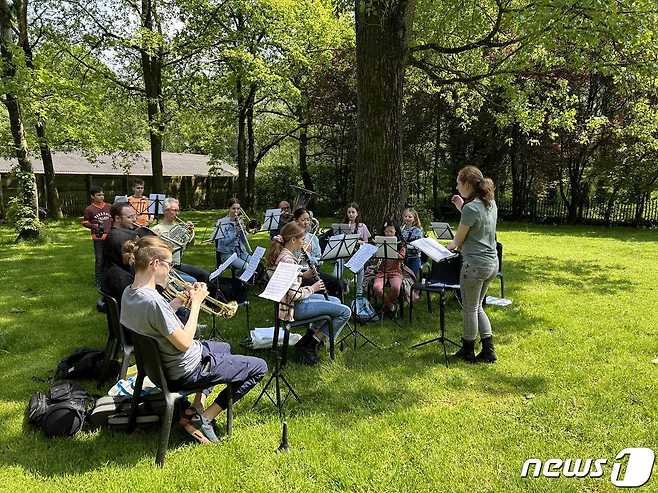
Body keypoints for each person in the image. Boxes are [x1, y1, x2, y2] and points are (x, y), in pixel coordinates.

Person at [120, 236, 267, 444]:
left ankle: (197, 405)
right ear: (154, 264)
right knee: (259, 367)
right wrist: (196, 303)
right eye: (169, 265)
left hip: (158, 369)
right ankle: (205, 418)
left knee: (223, 346)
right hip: (183, 372)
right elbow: (186, 343)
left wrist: (178, 302)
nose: (170, 271)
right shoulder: (153, 301)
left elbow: (155, 321)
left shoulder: (130, 292)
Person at [266, 222, 351, 365]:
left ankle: (307, 341)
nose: (303, 242)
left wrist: (304, 275)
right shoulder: (287, 260)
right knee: (345, 312)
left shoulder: (284, 255)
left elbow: (290, 281)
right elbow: (294, 294)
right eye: (302, 239)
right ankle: (311, 344)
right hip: (294, 308)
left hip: (288, 304)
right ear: (293, 240)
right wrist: (314, 287)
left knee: (335, 302)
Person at [446, 165, 498, 363]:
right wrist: (461, 207)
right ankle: (488, 351)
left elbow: (456, 242)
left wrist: (436, 248)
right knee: (478, 306)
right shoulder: (489, 203)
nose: (457, 186)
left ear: (467, 184)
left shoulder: (471, 208)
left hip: (474, 265)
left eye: (459, 182)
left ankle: (467, 350)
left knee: (469, 308)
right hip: (491, 264)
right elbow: (476, 221)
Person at [292, 207, 343, 298]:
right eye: (303, 220)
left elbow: (320, 260)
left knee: (336, 283)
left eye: (308, 220)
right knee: (320, 289)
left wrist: (309, 257)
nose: (306, 222)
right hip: (299, 274)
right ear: (296, 221)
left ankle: (336, 306)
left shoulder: (313, 238)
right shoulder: (292, 238)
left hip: (313, 271)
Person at [372, 220, 406, 316]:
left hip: (395, 271)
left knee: (396, 288)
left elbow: (402, 257)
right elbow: (375, 259)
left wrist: (393, 252)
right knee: (377, 287)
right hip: (382, 271)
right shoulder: (380, 243)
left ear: (396, 232)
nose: (388, 234)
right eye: (386, 232)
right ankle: (390, 305)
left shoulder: (401, 244)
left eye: (391, 231)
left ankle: (385, 306)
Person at [82, 186, 112, 288]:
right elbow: (85, 222)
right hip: (98, 238)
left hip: (110, 236)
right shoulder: (89, 209)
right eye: (98, 195)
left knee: (110, 258)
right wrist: (93, 226)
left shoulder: (109, 207)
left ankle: (109, 278)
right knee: (100, 259)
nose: (101, 197)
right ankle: (99, 281)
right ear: (92, 196)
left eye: (102, 194)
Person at [214, 197, 252, 274]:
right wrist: (236, 234)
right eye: (233, 208)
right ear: (229, 208)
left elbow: (244, 241)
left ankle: (248, 281)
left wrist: (243, 232)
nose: (236, 211)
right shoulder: (222, 222)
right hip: (227, 254)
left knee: (255, 263)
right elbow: (223, 243)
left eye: (238, 209)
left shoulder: (240, 221)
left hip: (241, 252)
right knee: (246, 266)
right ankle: (240, 280)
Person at [103, 202, 139, 274]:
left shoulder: (126, 232)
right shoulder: (118, 236)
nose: (134, 220)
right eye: (129, 217)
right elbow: (130, 263)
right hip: (123, 279)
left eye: (135, 216)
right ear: (117, 218)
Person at [401, 208, 424, 277]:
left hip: (413, 258)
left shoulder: (418, 230)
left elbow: (418, 246)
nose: (407, 218)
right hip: (403, 258)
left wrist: (404, 246)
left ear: (415, 218)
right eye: (405, 216)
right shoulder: (401, 228)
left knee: (412, 277)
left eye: (410, 217)